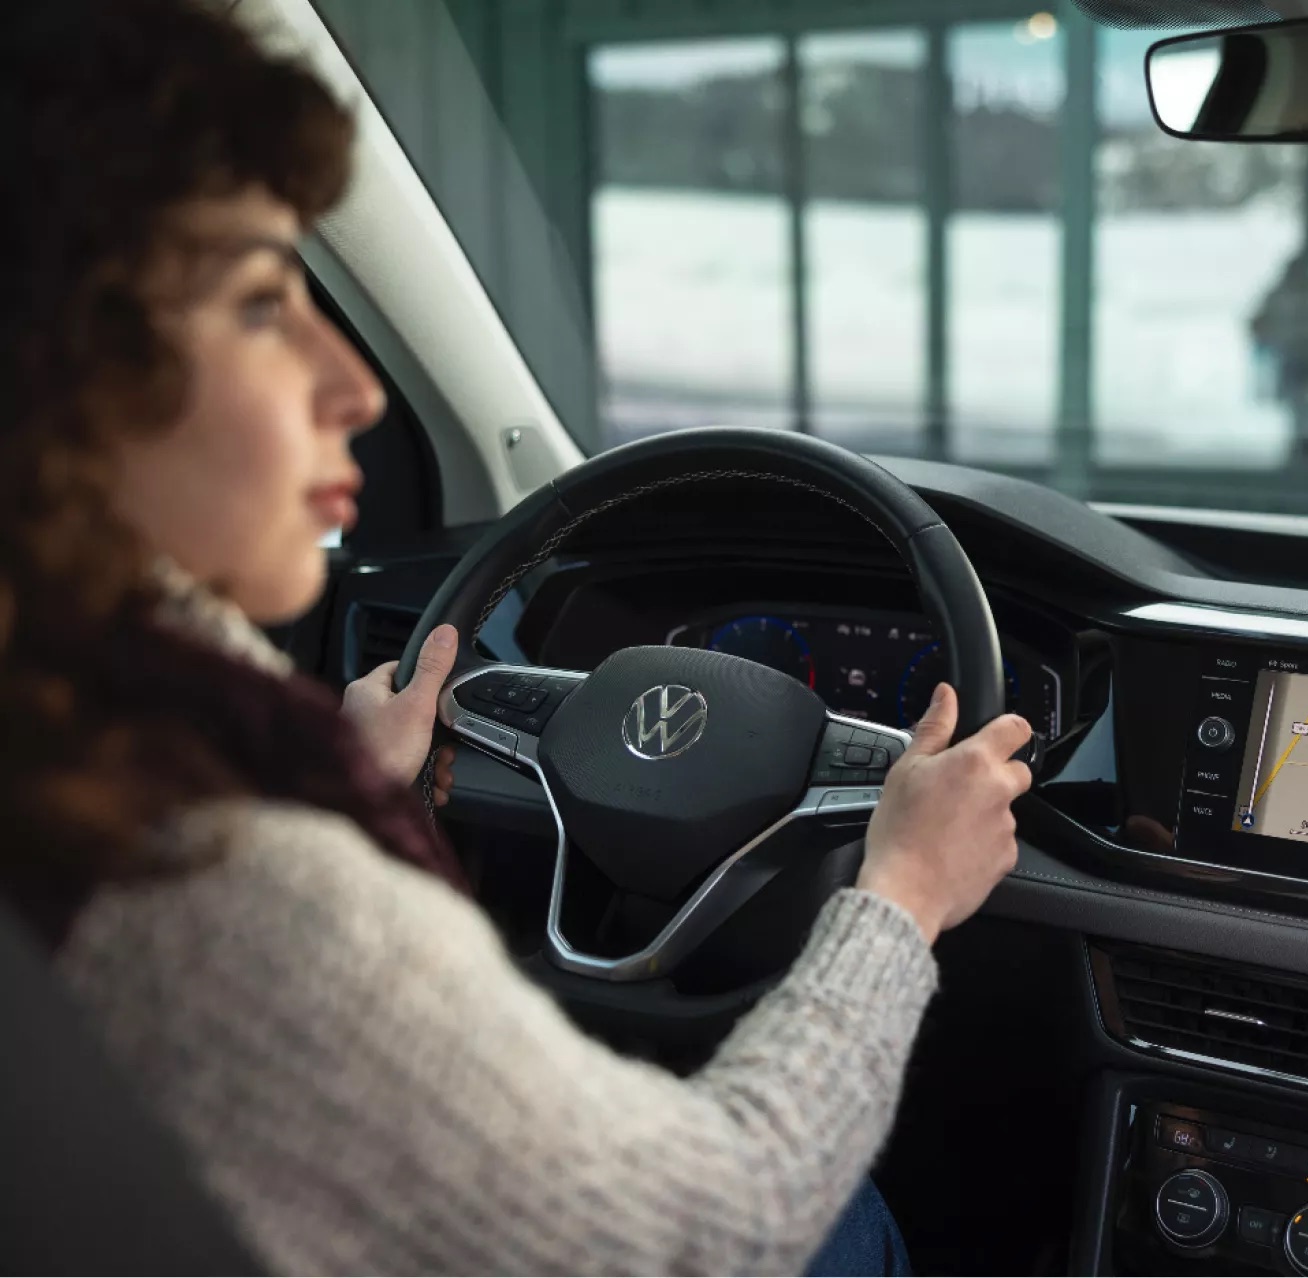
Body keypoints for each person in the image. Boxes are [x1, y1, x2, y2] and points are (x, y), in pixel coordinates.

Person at [0, 2, 1035, 1273]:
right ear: (53, 373)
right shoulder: (221, 886)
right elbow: (721, 1221)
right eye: (267, 304)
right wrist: (905, 891)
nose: (358, 386)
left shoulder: (96, 770)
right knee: (840, 1222)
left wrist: (353, 789)